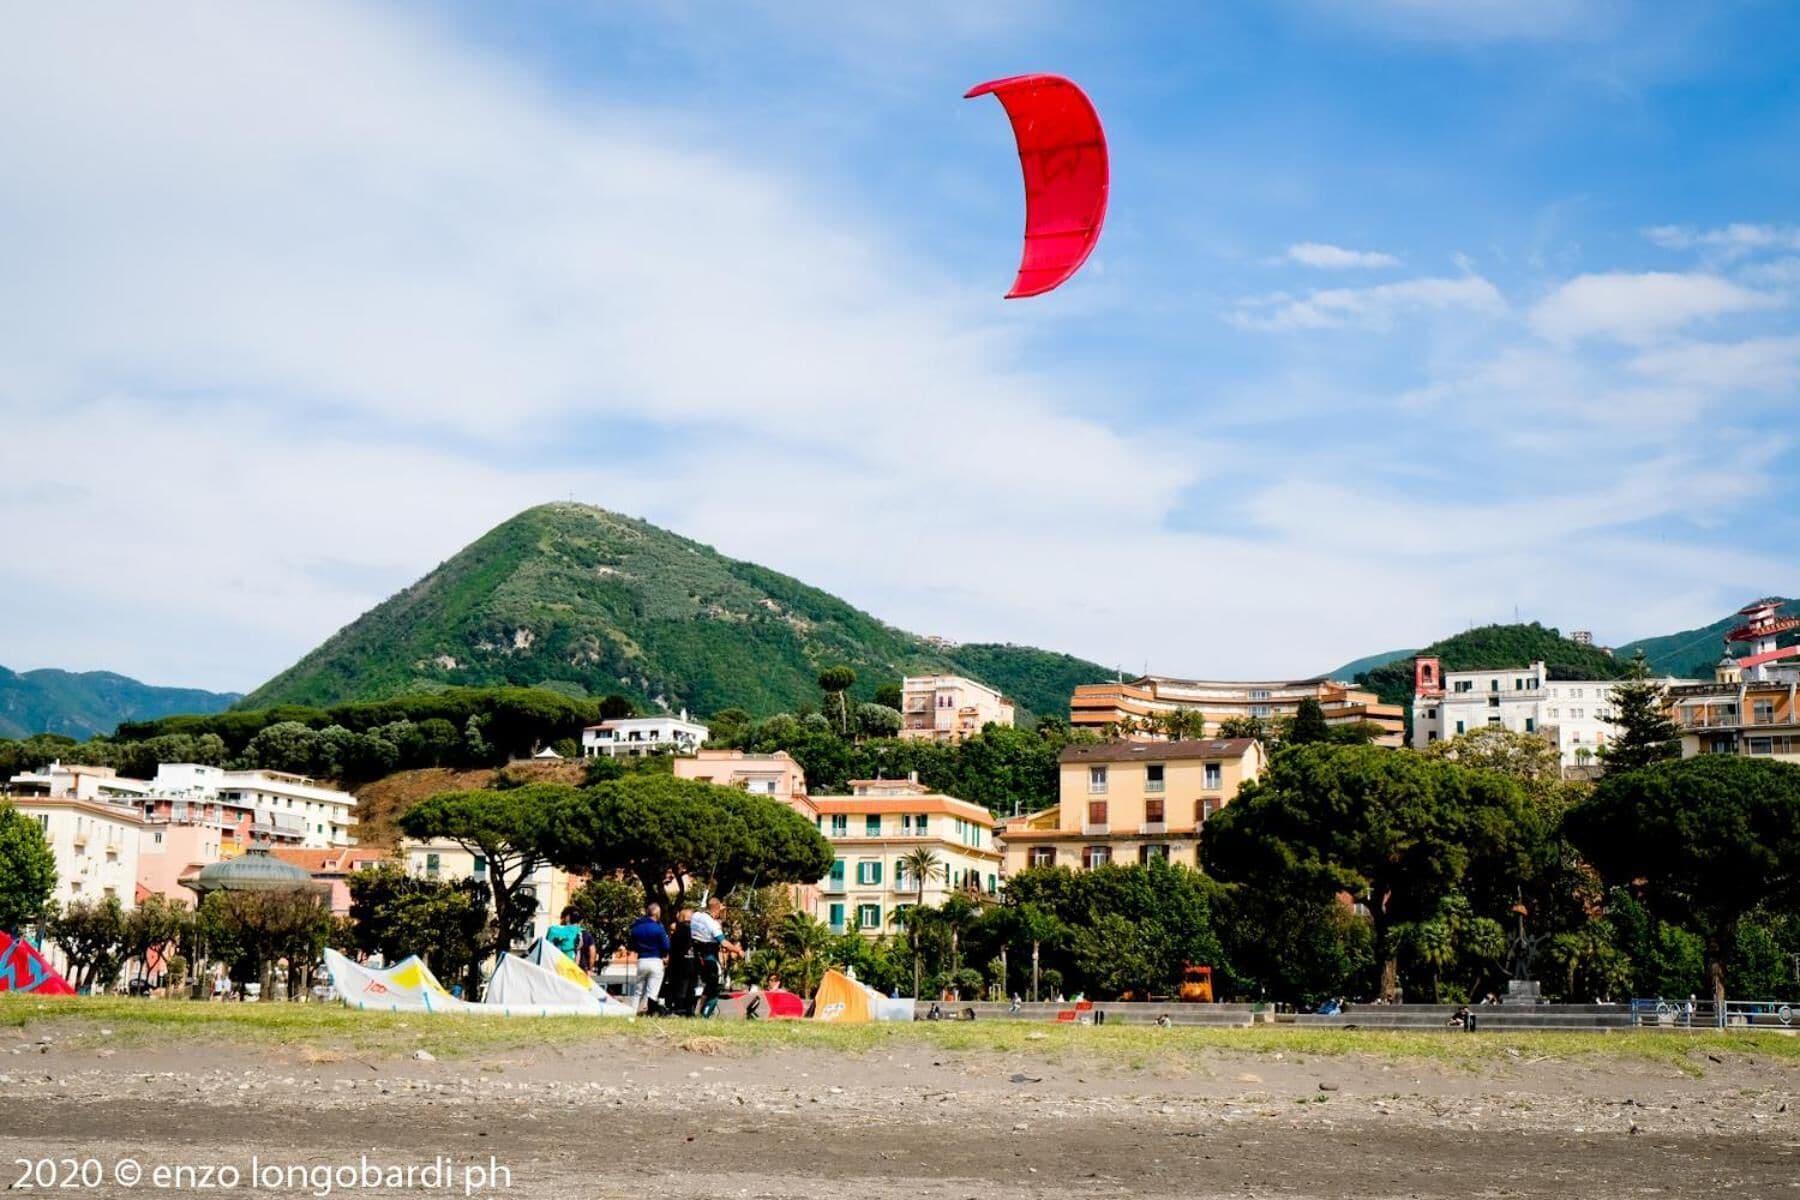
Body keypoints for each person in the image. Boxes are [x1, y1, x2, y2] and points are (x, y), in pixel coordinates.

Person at [690, 896, 742, 1019]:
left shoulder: (696, 916)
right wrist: (738, 950)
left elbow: (705, 910)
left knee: (708, 985)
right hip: (710, 958)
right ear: (717, 910)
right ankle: (706, 1014)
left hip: (697, 957)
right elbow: (724, 943)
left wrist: (719, 910)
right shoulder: (713, 924)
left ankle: (698, 1010)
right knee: (716, 986)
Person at [627, 901, 671, 1015]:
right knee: (652, 992)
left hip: (642, 960)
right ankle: (650, 1013)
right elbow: (666, 946)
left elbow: (631, 945)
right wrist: (664, 955)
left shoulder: (636, 928)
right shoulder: (658, 928)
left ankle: (632, 1014)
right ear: (657, 914)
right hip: (656, 960)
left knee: (638, 991)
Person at [663, 907, 697, 1016]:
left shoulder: (678, 931)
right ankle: (687, 1010)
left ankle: (680, 1009)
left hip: (678, 966)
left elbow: (672, 949)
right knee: (689, 990)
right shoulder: (692, 930)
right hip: (690, 965)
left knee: (680, 989)